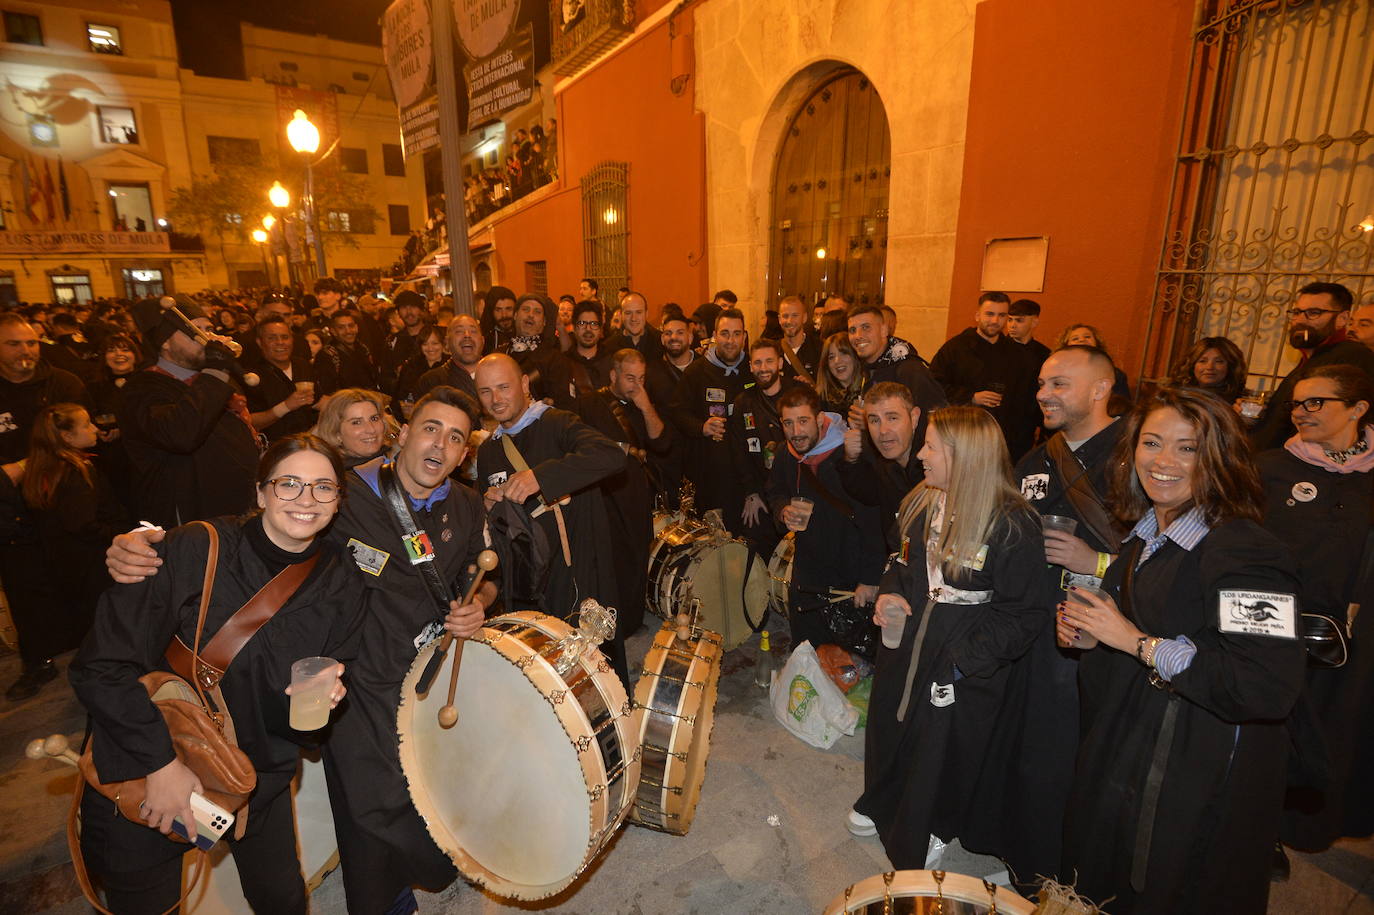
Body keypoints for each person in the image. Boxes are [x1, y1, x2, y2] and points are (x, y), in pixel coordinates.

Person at [106, 389, 495, 914]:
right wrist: (141, 545)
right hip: (359, 673)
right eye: (430, 428)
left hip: (423, 668)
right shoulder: (350, 492)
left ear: (464, 452)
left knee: (430, 781)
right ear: (400, 432)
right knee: (370, 804)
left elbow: (480, 572)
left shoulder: (466, 503)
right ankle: (390, 900)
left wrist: (479, 603)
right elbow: (250, 533)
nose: (440, 445)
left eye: (455, 437)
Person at [72, 434, 361, 914]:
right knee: (152, 902)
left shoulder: (340, 580)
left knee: (282, 900)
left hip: (246, 780)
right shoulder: (195, 548)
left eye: (323, 488)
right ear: (261, 492)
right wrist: (160, 766)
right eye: (289, 484)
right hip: (158, 768)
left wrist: (320, 705)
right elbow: (101, 666)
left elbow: (308, 717)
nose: (306, 500)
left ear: (337, 501)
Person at [1059, 387, 1305, 914]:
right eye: (1151, 442)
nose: (1163, 461)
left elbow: (1261, 684)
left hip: (1199, 766)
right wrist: (1093, 637)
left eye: (1187, 448)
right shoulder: (1146, 533)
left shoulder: (1247, 552)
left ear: (1218, 457)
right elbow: (1139, 628)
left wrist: (1133, 641)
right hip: (1134, 742)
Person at [850, 406, 1044, 872]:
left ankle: (935, 823)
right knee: (890, 723)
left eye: (932, 446)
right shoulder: (921, 500)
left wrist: (961, 661)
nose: (921, 454)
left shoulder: (1014, 523)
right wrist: (891, 597)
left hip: (963, 654)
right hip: (908, 639)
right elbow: (898, 562)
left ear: (965, 456)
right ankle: (883, 798)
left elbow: (1024, 613)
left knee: (942, 744)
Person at [990, 345, 1126, 882]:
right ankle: (1018, 855)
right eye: (1042, 384)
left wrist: (1097, 561)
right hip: (1031, 629)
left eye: (1060, 384)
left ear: (1100, 390)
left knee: (1063, 760)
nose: (1044, 394)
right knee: (1021, 748)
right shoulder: (1037, 458)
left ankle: (1055, 872)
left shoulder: (1139, 458)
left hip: (1090, 644)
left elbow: (1170, 561)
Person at [1256, 366, 1374, 859]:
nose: (1301, 412)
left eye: (1315, 403)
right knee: (1275, 731)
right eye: (1297, 404)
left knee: (1334, 729)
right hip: (1277, 627)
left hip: (1355, 635)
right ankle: (1263, 835)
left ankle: (1310, 825)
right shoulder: (1269, 468)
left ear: (1358, 409)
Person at [475, 354, 628, 682]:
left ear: (524, 384)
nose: (496, 399)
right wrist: (489, 507)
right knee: (542, 673)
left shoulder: (558, 423)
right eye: (486, 391)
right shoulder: (488, 451)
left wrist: (541, 478)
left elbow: (611, 456)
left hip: (575, 571)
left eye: (503, 387)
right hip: (528, 579)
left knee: (593, 671)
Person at [765, 386, 883, 654]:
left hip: (850, 573)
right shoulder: (786, 453)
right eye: (788, 423)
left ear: (819, 420)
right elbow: (775, 490)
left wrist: (870, 578)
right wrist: (782, 510)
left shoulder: (850, 452)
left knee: (850, 663)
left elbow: (874, 517)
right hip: (808, 572)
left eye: (803, 421)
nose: (796, 431)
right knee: (806, 652)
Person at [121, 298, 259, 526]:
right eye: (196, 331)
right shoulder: (142, 389)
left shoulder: (212, 378)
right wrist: (215, 371)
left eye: (209, 329)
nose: (208, 339)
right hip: (195, 522)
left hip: (238, 511)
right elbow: (180, 433)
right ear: (165, 342)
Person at [576, 349, 675, 638]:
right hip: (604, 496)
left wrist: (645, 407)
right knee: (609, 561)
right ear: (613, 375)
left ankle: (631, 621)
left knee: (636, 556)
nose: (636, 385)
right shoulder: (592, 403)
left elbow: (661, 442)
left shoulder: (643, 404)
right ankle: (606, 624)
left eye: (642, 378)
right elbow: (583, 446)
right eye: (630, 378)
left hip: (635, 495)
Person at [1250, 282, 1374, 450]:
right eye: (1297, 312)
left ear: (1342, 319)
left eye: (1314, 313)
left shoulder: (1352, 356)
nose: (1300, 320)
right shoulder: (1311, 357)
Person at [930, 292, 1039, 459]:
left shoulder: (1017, 355)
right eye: (989, 314)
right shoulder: (955, 349)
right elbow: (933, 385)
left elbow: (1025, 401)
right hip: (962, 437)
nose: (995, 321)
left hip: (1003, 441)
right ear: (977, 315)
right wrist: (971, 397)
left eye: (1002, 315)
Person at [672, 306, 749, 521]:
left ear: (744, 336)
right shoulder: (696, 372)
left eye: (736, 334)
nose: (730, 340)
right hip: (708, 479)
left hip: (746, 481)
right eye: (724, 333)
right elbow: (678, 412)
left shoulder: (753, 369)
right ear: (714, 336)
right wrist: (701, 427)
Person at [728, 338, 802, 555]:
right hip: (760, 494)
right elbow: (738, 450)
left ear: (780, 363)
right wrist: (751, 492)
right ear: (750, 366)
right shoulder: (744, 402)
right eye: (757, 363)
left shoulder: (798, 395)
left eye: (769, 361)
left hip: (795, 492)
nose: (763, 368)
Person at [836, 382, 924, 550]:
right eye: (874, 420)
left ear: (914, 418)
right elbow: (867, 494)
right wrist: (851, 460)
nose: (883, 430)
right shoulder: (886, 466)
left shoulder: (938, 468)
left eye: (892, 418)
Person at [246, 316, 317, 442]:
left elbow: (319, 401)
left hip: (309, 442)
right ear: (259, 342)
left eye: (285, 337)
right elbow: (249, 421)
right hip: (276, 449)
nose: (280, 342)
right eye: (272, 338)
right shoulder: (252, 376)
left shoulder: (302, 365)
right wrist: (286, 406)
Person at [313, 388, 392, 469]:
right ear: (336, 433)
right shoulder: (333, 476)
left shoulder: (395, 460)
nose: (371, 429)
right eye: (356, 422)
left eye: (374, 419)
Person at [1059, 324, 1132, 407]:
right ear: (1065, 347)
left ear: (1097, 343)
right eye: (1075, 338)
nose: (1082, 340)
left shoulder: (1116, 375)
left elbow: (1122, 408)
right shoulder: (1057, 373)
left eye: (1087, 337)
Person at [416, 313, 483, 401]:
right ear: (447, 342)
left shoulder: (499, 373)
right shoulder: (431, 381)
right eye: (459, 331)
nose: (467, 335)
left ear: (483, 341)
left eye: (473, 331)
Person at [1167, 336, 1248, 405]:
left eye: (1219, 361)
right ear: (1192, 365)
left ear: (1231, 366)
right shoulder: (1174, 395)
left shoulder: (1240, 402)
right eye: (1202, 361)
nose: (1210, 367)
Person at [315, 310, 378, 395]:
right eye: (341, 327)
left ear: (356, 327)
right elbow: (327, 390)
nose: (348, 331)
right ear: (333, 331)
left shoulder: (363, 349)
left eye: (351, 326)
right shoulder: (327, 355)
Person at [562, 300, 613, 400]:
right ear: (574, 328)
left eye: (594, 324)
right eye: (582, 323)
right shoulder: (563, 363)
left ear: (600, 329)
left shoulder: (612, 362)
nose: (588, 329)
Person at [392, 324, 446, 413]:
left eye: (435, 343)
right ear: (420, 346)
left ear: (442, 344)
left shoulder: (450, 365)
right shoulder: (411, 366)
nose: (430, 348)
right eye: (425, 344)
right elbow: (398, 396)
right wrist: (403, 406)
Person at [816, 331, 867, 417]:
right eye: (831, 357)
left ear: (855, 356)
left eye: (844, 353)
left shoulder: (869, 391)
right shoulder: (820, 400)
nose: (837, 361)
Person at [604, 291, 663, 362]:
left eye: (638, 312)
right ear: (621, 315)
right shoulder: (608, 347)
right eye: (628, 313)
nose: (633, 318)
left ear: (646, 314)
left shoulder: (661, 342)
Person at [777, 295, 821, 381]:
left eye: (795, 315)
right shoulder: (773, 350)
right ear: (779, 319)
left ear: (804, 318)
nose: (789, 321)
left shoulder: (818, 349)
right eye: (785, 316)